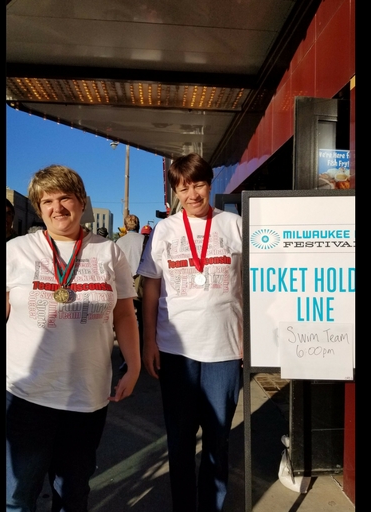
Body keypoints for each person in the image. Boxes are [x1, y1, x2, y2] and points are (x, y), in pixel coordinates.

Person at [6, 164, 141, 512]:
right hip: (26, 396)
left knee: (73, 495)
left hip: (86, 397)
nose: (57, 207)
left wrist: (134, 365)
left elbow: (125, 314)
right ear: (38, 208)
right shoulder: (16, 251)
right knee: (18, 496)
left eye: (65, 197)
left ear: (81, 202)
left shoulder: (109, 253)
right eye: (46, 200)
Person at [137, 153, 244, 512]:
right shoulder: (165, 231)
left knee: (218, 441)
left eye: (198, 184)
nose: (192, 194)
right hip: (175, 350)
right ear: (175, 192)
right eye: (183, 187)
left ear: (210, 184)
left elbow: (254, 283)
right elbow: (150, 288)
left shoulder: (234, 225)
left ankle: (211, 507)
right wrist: (148, 340)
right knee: (180, 442)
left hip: (225, 350)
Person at [114, 214, 149, 373]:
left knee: (124, 321)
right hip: (141, 284)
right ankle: (141, 353)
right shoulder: (145, 240)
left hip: (123, 283)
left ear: (125, 226)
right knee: (142, 320)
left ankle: (125, 358)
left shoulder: (119, 242)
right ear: (138, 224)